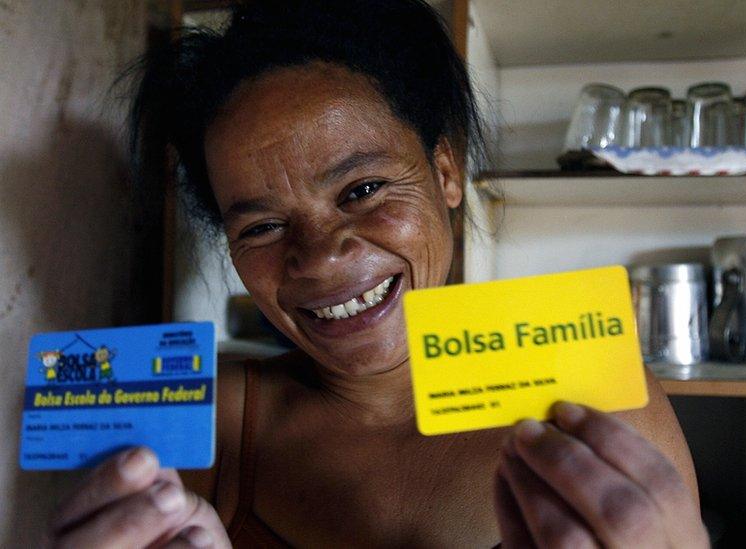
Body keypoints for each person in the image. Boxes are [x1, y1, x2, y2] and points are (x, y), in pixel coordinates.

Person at [42, 1, 708, 547]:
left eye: (361, 190)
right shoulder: (207, 426)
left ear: (445, 172)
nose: (321, 256)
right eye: (263, 226)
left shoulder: (600, 399)